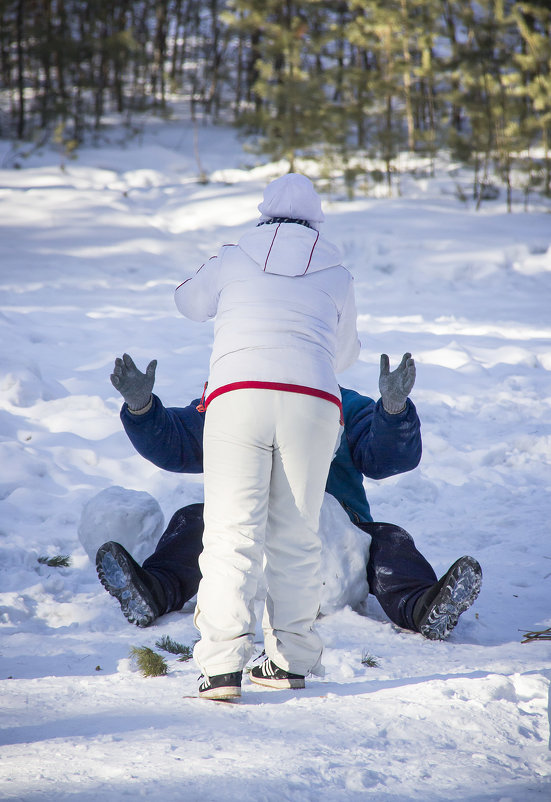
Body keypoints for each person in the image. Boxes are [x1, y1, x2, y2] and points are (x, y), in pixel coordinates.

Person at [100, 352, 482, 646]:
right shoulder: (234, 405)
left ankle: (422, 606)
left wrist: (393, 411)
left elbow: (386, 458)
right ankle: (153, 590)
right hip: (248, 528)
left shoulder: (339, 403)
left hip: (339, 537)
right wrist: (144, 409)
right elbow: (177, 445)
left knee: (388, 541)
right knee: (194, 521)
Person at [173, 173, 362, 699]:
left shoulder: (233, 256)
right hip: (313, 402)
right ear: (317, 220)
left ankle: (221, 667)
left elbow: (187, 301)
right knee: (297, 534)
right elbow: (344, 355)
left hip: (238, 398)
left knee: (232, 534)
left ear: (263, 213)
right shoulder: (338, 274)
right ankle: (291, 660)